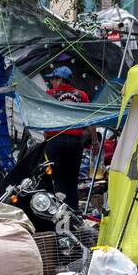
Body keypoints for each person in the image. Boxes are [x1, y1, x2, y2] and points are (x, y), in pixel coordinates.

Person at [44, 66, 89, 209]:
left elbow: (45, 118)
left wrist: (46, 138)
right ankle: (73, 213)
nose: (51, 82)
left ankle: (58, 214)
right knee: (72, 180)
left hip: (55, 141)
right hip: (75, 143)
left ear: (60, 79)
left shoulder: (49, 95)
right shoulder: (82, 95)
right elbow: (90, 119)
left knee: (57, 180)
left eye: (53, 79)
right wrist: (94, 141)